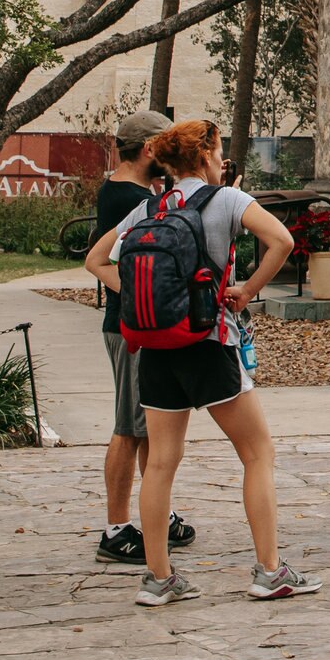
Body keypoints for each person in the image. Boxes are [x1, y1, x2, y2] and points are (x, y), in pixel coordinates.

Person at [84, 119, 317, 605]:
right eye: (217, 152)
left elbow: (96, 260)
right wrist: (246, 290)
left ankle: (159, 578)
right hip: (210, 345)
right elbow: (283, 242)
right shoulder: (227, 201)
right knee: (257, 455)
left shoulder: (149, 205)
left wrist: (145, 300)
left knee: (162, 465)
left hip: (155, 350)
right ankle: (270, 571)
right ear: (207, 155)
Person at [89, 108, 195, 566]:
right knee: (129, 427)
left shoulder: (132, 191)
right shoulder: (124, 199)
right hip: (129, 328)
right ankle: (115, 529)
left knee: (151, 423)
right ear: (150, 148)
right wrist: (138, 296)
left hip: (137, 326)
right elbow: (100, 261)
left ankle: (160, 511)